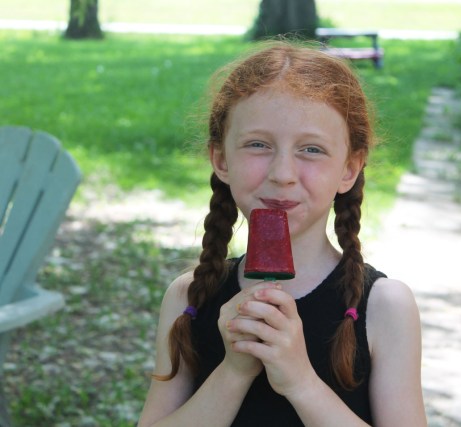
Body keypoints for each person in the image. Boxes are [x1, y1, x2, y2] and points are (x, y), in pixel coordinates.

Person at [138, 42, 427, 427]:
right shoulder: (189, 297)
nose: (282, 174)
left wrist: (300, 381)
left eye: (311, 149)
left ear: (349, 168)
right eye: (258, 145)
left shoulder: (385, 307)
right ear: (221, 159)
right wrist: (233, 372)